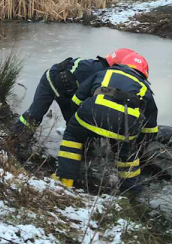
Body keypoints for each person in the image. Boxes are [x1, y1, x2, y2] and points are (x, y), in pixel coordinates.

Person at [53, 52, 158, 193]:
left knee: (73, 135)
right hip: (125, 126)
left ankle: (65, 179)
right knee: (127, 153)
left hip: (91, 115)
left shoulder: (104, 74)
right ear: (144, 73)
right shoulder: (145, 88)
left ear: (122, 65)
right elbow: (150, 128)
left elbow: (76, 100)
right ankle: (131, 192)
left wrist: (80, 121)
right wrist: (139, 143)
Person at [10, 48, 136, 158]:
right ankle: (16, 140)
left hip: (68, 92)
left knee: (73, 122)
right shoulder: (98, 73)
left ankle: (81, 150)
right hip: (50, 82)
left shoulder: (102, 71)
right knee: (35, 114)